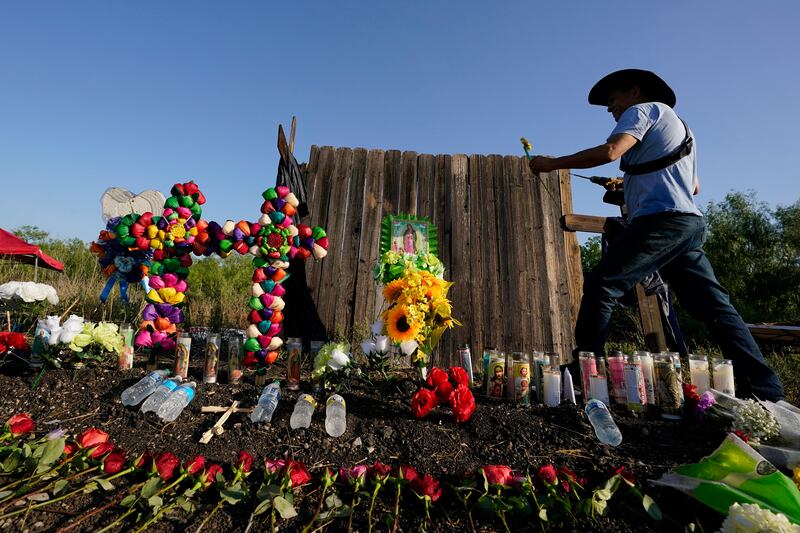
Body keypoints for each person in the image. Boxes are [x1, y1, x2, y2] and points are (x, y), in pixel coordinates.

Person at [528, 69, 784, 401]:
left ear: (635, 91)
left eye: (613, 100)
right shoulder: (683, 128)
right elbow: (692, 187)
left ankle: (584, 373)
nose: (611, 109)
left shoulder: (644, 110)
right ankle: (765, 389)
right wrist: (626, 186)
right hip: (687, 225)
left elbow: (610, 152)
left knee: (603, 284)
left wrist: (552, 163)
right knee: (714, 307)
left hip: (661, 224)